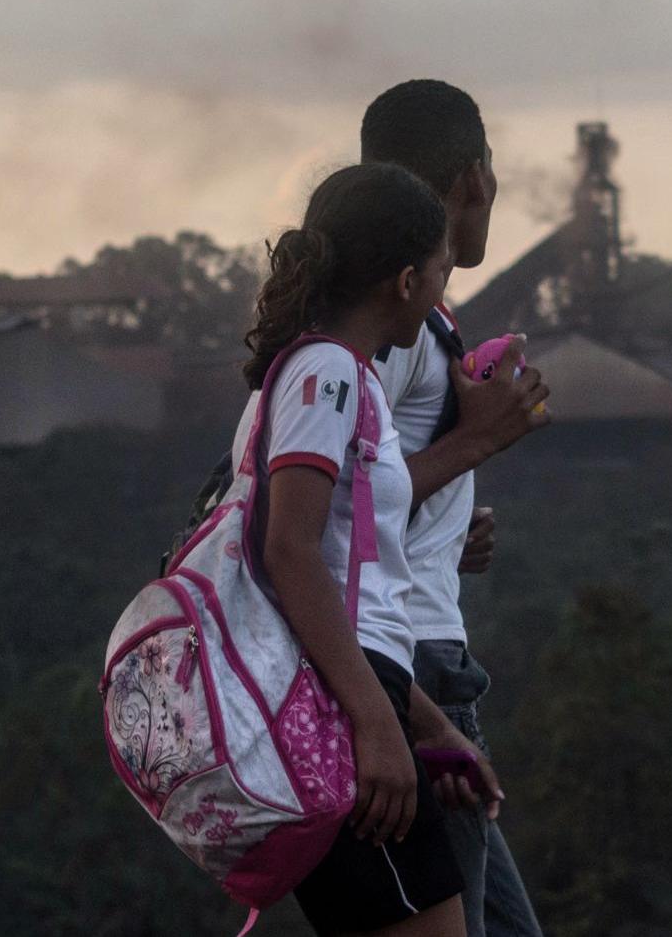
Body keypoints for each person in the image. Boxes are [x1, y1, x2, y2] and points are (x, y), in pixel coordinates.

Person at [233, 162, 464, 936]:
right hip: (345, 714)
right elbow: (291, 554)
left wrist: (427, 724)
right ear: (405, 280)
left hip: (361, 697)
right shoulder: (328, 372)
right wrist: (376, 724)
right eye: (439, 272)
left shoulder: (329, 375)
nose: (441, 292)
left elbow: (348, 578)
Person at [359, 79, 550, 937]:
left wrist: (440, 535)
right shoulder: (392, 327)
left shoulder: (409, 317)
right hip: (416, 668)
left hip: (420, 650)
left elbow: (376, 497)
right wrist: (478, 441)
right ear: (475, 180)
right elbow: (330, 516)